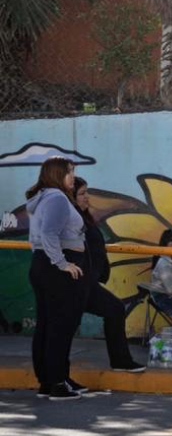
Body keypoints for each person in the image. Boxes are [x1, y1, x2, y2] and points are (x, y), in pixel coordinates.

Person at [26, 157, 89, 401]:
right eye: (69, 172)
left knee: (47, 325)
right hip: (54, 268)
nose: (72, 176)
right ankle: (57, 383)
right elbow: (49, 233)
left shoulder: (45, 198)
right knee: (59, 327)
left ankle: (49, 381)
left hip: (43, 266)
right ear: (56, 174)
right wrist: (62, 263)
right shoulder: (57, 198)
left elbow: (41, 236)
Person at [73, 177, 145, 374]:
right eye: (81, 194)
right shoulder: (72, 219)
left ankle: (120, 360)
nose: (86, 197)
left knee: (114, 309)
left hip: (88, 282)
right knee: (62, 328)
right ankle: (53, 379)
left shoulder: (84, 216)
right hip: (77, 283)